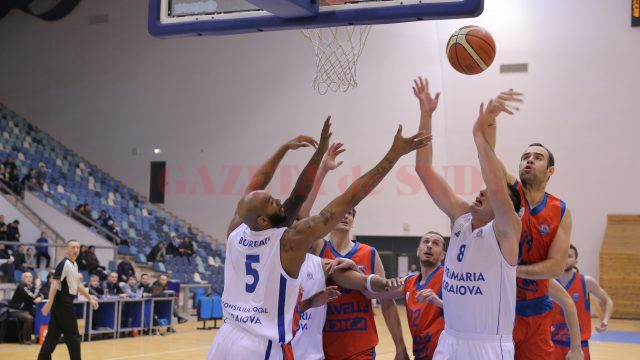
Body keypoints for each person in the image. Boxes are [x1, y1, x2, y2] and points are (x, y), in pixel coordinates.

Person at [208, 117, 429, 359]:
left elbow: (263, 185)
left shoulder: (236, 230)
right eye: (272, 202)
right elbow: (349, 198)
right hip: (260, 346)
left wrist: (285, 150)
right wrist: (392, 156)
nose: (280, 201)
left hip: (226, 337)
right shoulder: (289, 242)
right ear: (262, 220)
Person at [413, 78, 522, 358]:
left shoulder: (507, 232)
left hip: (486, 346)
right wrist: (426, 114)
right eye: (481, 190)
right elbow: (423, 170)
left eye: (490, 194)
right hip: (449, 341)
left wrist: (478, 133)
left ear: (506, 207)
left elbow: (497, 185)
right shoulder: (460, 218)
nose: (482, 193)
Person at [298, 141, 409, 360]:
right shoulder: (320, 247)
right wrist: (322, 170)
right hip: (323, 346)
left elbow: (386, 302)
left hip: (360, 346)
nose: (346, 214)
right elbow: (302, 216)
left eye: (351, 213)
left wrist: (400, 346)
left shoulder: (369, 253)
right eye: (342, 211)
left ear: (352, 221)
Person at [292, 255, 404, 360]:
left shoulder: (320, 263)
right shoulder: (276, 262)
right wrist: (310, 302)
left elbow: (365, 283)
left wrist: (386, 283)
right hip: (284, 352)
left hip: (317, 355)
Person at [38, 240, 99, 360]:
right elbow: (55, 283)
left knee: (53, 336)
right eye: (73, 247)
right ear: (67, 249)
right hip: (63, 302)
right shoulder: (64, 263)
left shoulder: (74, 264)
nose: (76, 250)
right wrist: (49, 304)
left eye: (77, 247)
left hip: (63, 303)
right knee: (73, 336)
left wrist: (89, 298)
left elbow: (77, 284)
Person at [550, 245, 614, 360]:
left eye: (569, 256)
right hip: (553, 343)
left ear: (576, 261)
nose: (565, 259)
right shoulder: (549, 282)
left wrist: (605, 320)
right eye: (563, 256)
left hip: (578, 345)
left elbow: (608, 301)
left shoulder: (586, 281)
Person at [9, 271, 43, 344]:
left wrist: (40, 298)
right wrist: (37, 287)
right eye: (26, 277)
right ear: (22, 279)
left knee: (40, 315)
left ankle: (39, 337)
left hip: (25, 310)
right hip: (15, 310)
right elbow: (32, 296)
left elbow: (41, 294)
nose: (29, 278)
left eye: (30, 277)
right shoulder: (21, 287)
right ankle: (27, 339)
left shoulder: (31, 286)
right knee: (29, 318)